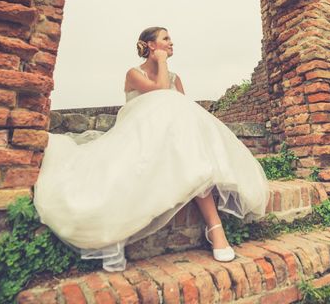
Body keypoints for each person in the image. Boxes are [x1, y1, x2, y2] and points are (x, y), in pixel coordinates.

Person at [34, 27, 269, 271]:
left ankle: (215, 228)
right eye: (165, 39)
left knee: (187, 134)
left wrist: (164, 65)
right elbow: (160, 91)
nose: (171, 43)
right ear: (150, 45)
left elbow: (184, 116)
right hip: (138, 137)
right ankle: (214, 227)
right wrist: (160, 61)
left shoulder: (175, 78)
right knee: (172, 105)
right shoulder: (134, 74)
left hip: (172, 141)